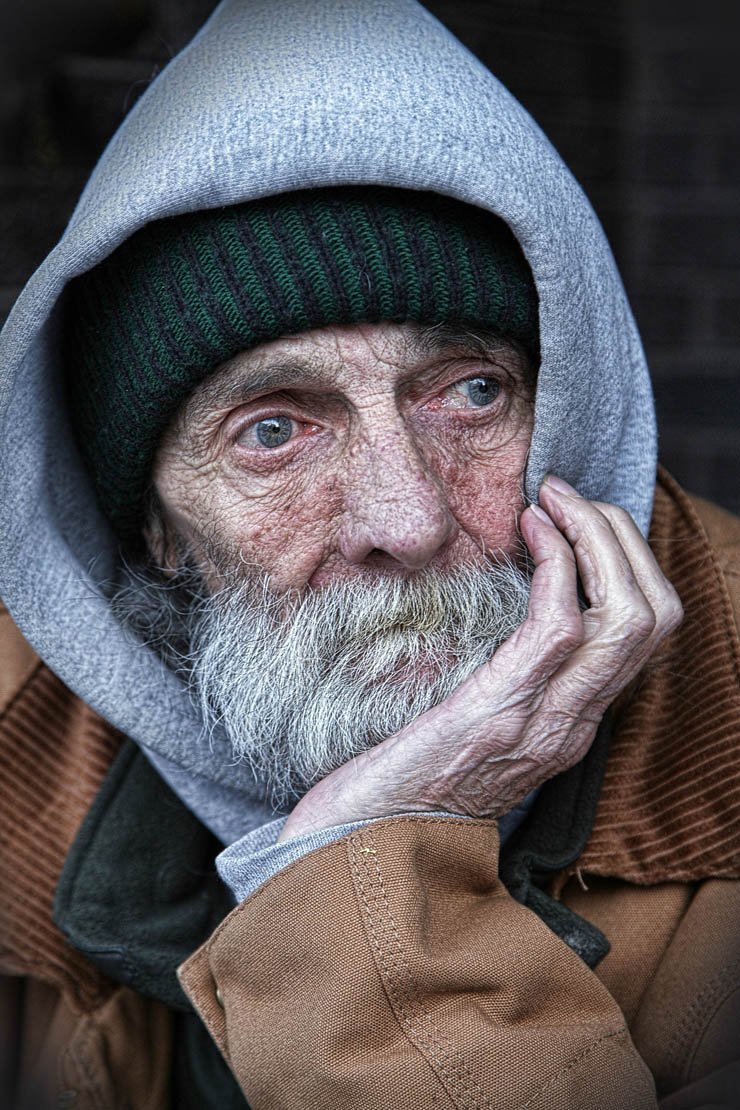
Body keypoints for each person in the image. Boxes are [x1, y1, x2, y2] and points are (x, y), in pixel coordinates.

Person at [0, 1, 738, 1107]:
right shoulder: (19, 746)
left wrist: (368, 873)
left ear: (569, 412)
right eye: (273, 430)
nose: (407, 518)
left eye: (470, 392)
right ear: (153, 528)